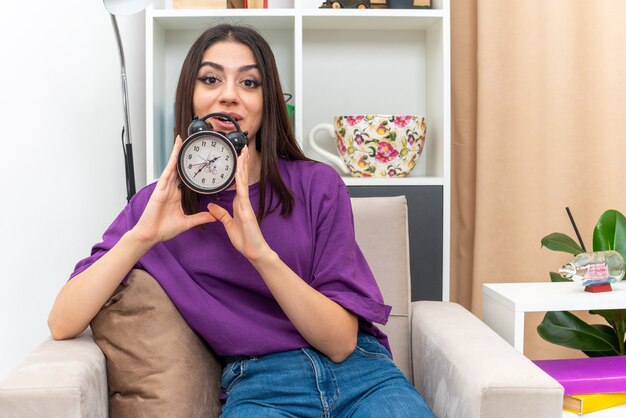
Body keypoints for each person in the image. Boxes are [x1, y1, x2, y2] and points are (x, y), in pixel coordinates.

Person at [48, 24, 434, 417]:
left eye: (249, 83)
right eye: (211, 79)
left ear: (267, 103)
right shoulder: (160, 206)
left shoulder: (318, 184)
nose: (229, 95)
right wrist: (141, 236)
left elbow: (339, 343)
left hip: (363, 378)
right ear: (191, 97)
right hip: (261, 387)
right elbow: (62, 321)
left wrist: (260, 254)